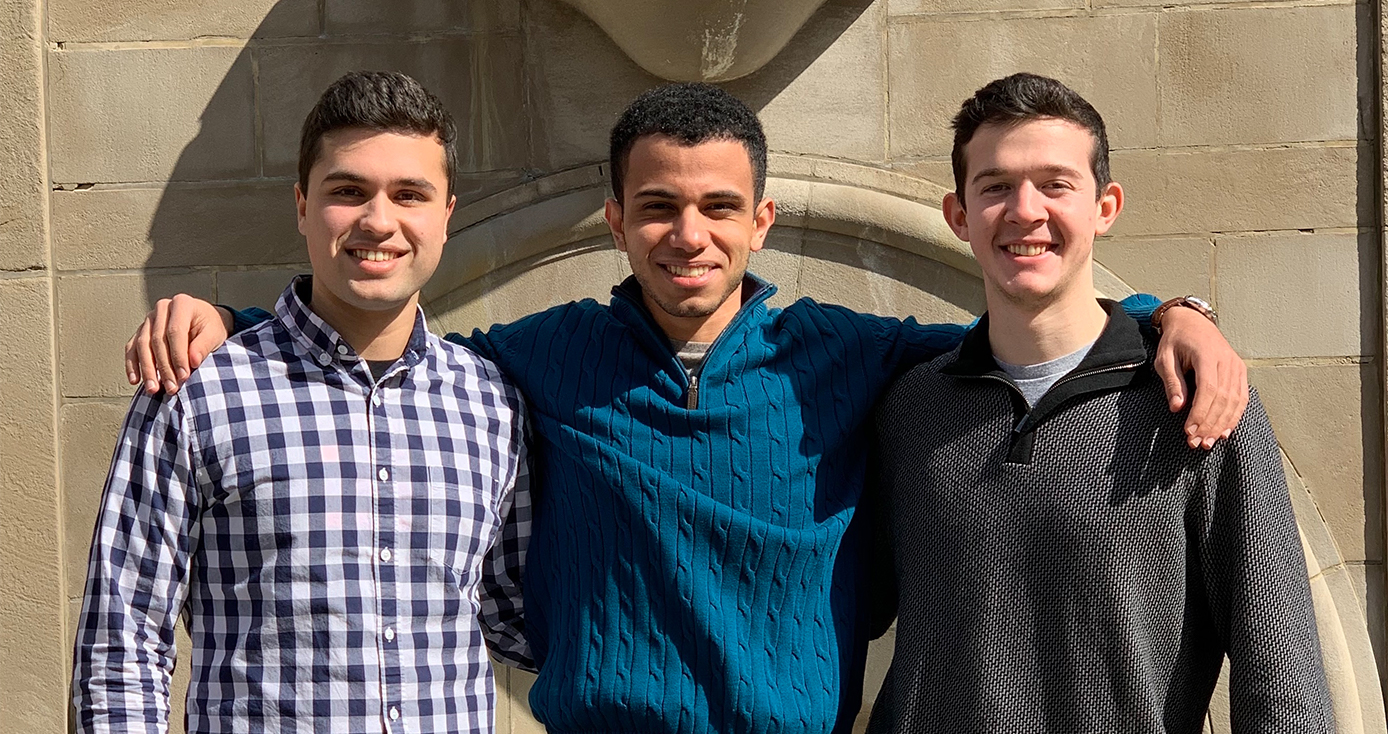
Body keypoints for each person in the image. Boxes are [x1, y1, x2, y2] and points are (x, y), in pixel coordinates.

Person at [123, 82, 1248, 732]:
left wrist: (1162, 310)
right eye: (657, 205)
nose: (688, 233)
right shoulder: (540, 357)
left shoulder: (848, 356)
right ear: (614, 219)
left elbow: (1028, 329)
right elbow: (382, 346)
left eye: (718, 206)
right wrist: (228, 317)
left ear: (761, 223)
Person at [868, 73, 1333, 732]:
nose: (1025, 210)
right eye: (996, 186)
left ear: (1105, 206)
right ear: (959, 216)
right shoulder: (910, 409)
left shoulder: (1196, 400)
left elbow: (1281, 671)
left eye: (1055, 184)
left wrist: (1179, 316)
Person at [72, 71, 531, 734]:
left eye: (410, 194)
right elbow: (123, 642)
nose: (380, 220)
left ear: (446, 214)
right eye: (348, 191)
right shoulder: (195, 390)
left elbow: (519, 617)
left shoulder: (492, 406)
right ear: (301, 205)